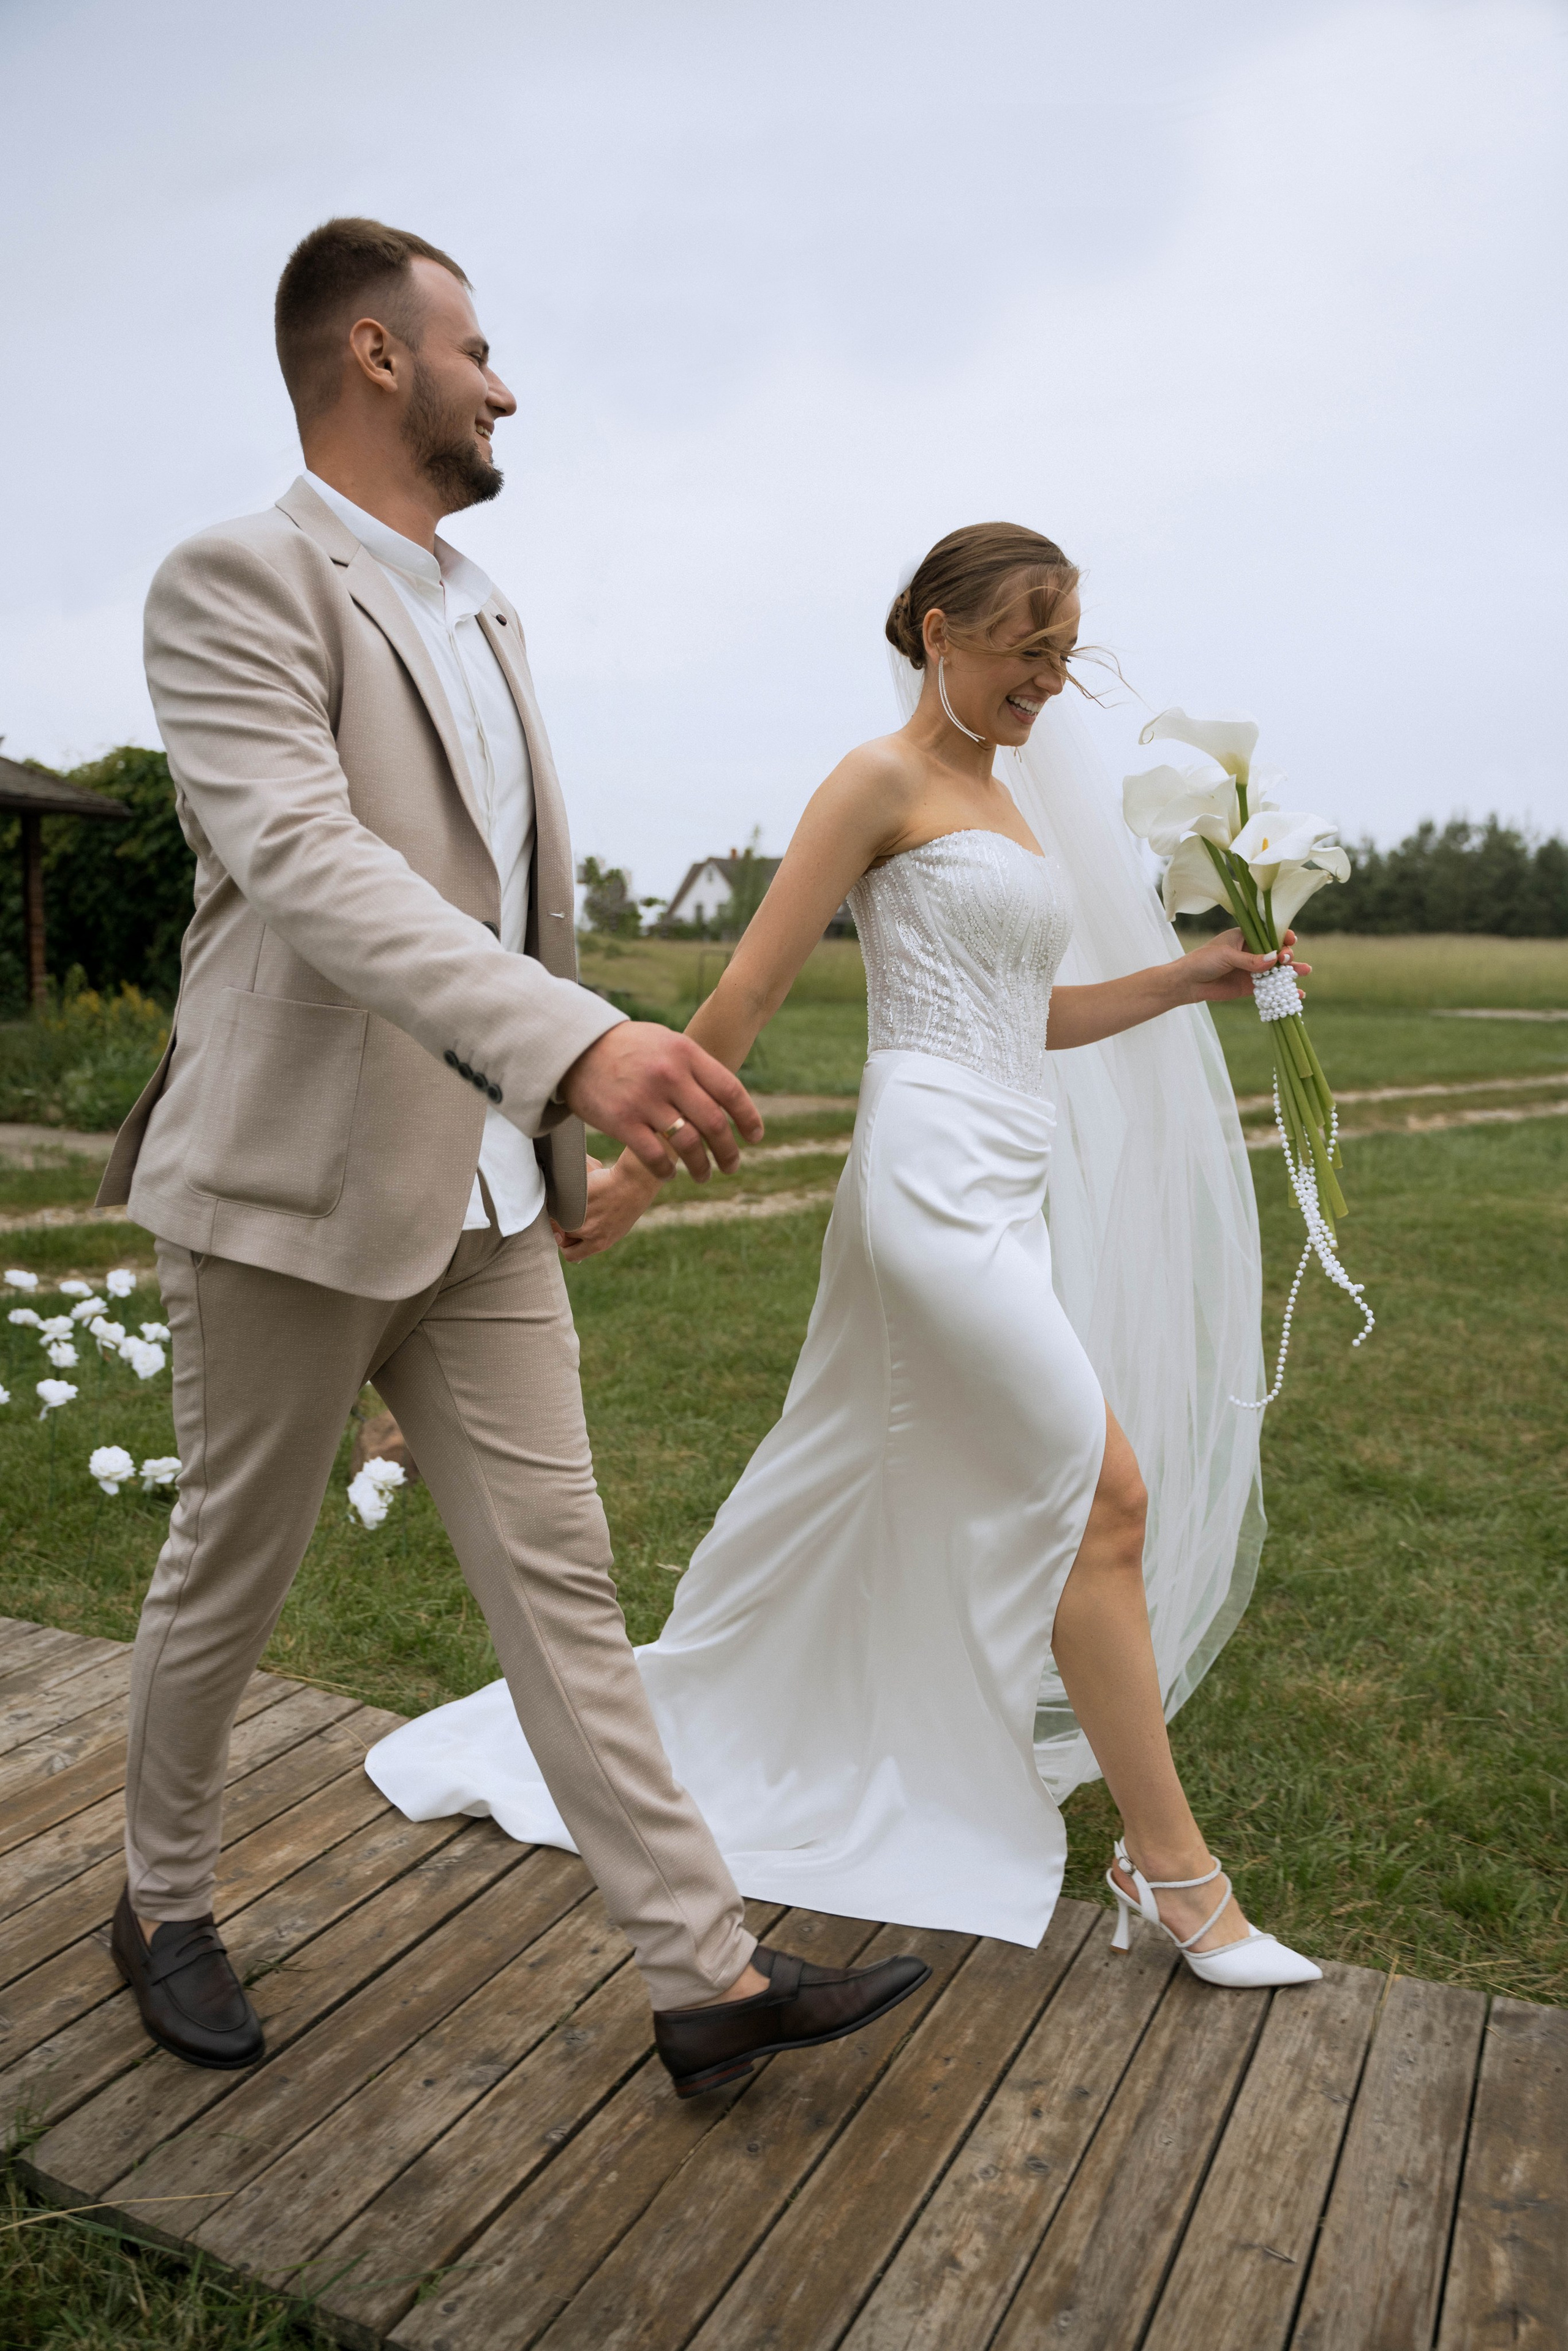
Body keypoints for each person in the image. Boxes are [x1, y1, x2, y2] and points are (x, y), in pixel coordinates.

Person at [100, 216, 927, 2097]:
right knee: (232, 1563)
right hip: (288, 1186)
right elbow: (316, 871)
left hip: (485, 1195)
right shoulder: (234, 581)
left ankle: (701, 1973)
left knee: (561, 1580)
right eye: (478, 348)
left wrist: (556, 1085)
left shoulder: (486, 605)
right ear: (379, 357)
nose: (507, 382)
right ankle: (159, 1894)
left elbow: (504, 900)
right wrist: (583, 1045)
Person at [369, 523, 1322, 1990]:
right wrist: (632, 1165)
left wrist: (1188, 975)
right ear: (939, 632)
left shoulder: (1001, 807)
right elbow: (746, 988)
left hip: (1013, 1169)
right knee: (1104, 1491)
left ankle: (1096, 1835)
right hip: (927, 1180)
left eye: (1065, 656)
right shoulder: (872, 782)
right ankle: (1176, 1871)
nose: (1049, 683)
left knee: (1004, 1491)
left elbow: (1032, 1014)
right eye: (1028, 649)